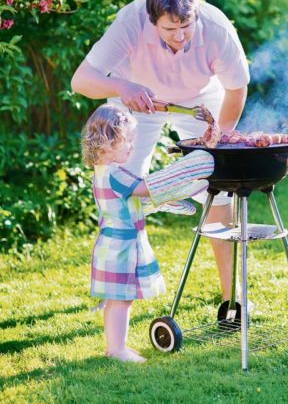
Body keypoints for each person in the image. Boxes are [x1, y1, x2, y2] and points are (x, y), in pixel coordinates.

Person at [71, 0, 250, 301]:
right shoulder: (131, 21)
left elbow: (237, 89)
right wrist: (123, 87)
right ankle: (115, 290)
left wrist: (220, 134)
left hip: (200, 101)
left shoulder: (217, 29)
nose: (180, 36)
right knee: (118, 190)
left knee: (221, 191)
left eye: (187, 26)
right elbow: (81, 81)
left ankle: (232, 295)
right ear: (151, 19)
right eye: (169, 29)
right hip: (136, 98)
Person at [82, 103, 214, 363]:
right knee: (121, 300)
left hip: (116, 243)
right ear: (108, 142)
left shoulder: (105, 171)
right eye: (128, 140)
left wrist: (174, 195)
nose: (132, 146)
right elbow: (147, 189)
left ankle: (116, 347)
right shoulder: (115, 175)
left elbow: (139, 199)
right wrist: (185, 177)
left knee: (120, 299)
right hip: (121, 247)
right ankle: (116, 350)